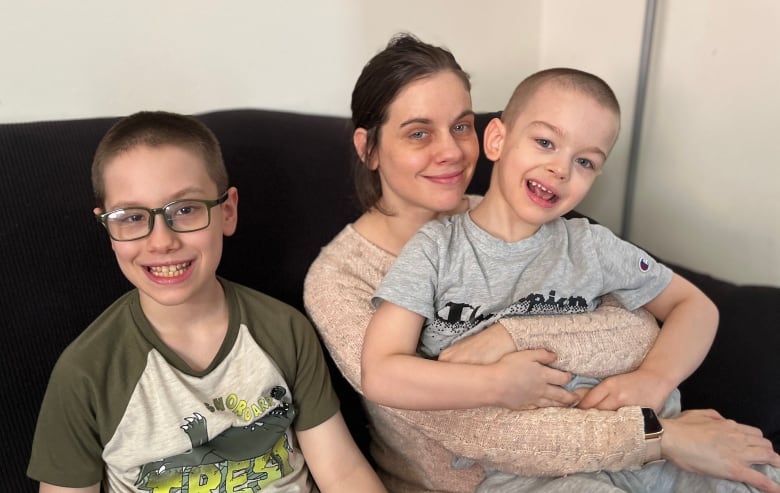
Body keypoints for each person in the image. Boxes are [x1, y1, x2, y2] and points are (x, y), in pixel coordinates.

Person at [304, 33, 780, 493]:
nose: (450, 151)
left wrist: (512, 337)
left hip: (626, 439)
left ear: (485, 134)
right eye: (419, 133)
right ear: (368, 148)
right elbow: (465, 422)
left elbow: (644, 329)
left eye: (461, 126)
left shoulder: (543, 218)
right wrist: (659, 438)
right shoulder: (351, 276)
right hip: (499, 477)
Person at [27, 111, 386, 493]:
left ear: (227, 211)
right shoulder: (85, 373)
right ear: (108, 228)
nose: (161, 241)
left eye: (184, 210)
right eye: (131, 217)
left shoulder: (284, 329)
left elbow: (343, 475)